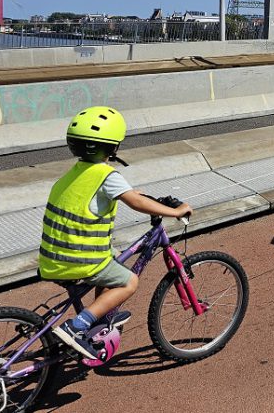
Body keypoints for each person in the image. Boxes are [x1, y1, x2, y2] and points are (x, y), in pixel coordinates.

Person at [40, 106, 192, 359]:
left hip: (53, 255)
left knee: (115, 257)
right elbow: (135, 202)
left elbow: (126, 194)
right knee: (129, 281)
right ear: (113, 148)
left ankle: (99, 316)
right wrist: (175, 212)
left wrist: (136, 194)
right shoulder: (107, 174)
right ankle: (76, 326)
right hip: (81, 259)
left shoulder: (76, 173)